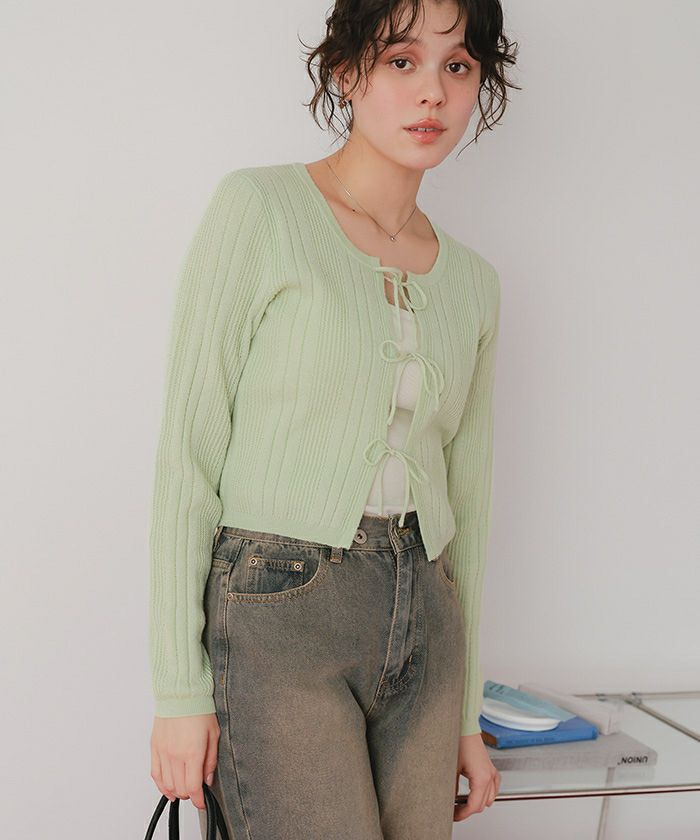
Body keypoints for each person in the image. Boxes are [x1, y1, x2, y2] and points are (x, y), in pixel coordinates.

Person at [148, 0, 519, 836]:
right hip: (280, 609)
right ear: (346, 71)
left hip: (428, 621)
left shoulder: (474, 283)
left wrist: (466, 715)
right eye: (401, 61)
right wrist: (178, 691)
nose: (432, 92)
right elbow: (187, 458)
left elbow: (470, 507)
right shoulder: (260, 211)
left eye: (458, 66)